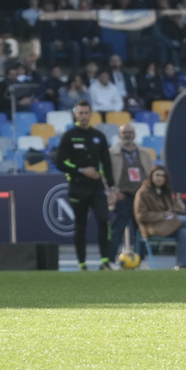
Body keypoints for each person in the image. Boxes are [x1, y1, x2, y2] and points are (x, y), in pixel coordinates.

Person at [54, 101, 116, 270]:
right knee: (80, 226)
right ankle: (82, 262)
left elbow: (107, 163)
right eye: (80, 113)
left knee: (104, 220)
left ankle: (105, 261)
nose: (83, 116)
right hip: (78, 186)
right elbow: (59, 162)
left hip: (96, 187)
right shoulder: (69, 136)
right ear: (75, 114)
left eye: (86, 112)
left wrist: (111, 187)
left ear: (91, 114)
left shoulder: (99, 136)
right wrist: (81, 170)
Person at [134, 165, 186, 270]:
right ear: (151, 176)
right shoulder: (143, 193)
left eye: (162, 176)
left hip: (166, 225)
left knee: (183, 231)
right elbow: (141, 216)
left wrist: (178, 207)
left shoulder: (166, 192)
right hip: (151, 227)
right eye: (157, 175)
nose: (160, 178)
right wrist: (163, 215)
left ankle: (183, 265)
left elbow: (172, 212)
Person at [108, 123, 155, 266]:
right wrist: (113, 191)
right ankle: (109, 259)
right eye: (124, 132)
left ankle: (140, 258)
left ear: (134, 135)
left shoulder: (144, 152)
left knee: (140, 227)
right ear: (119, 135)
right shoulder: (112, 153)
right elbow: (106, 175)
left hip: (140, 196)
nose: (127, 135)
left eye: (130, 132)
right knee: (118, 227)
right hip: (122, 195)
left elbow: (151, 173)